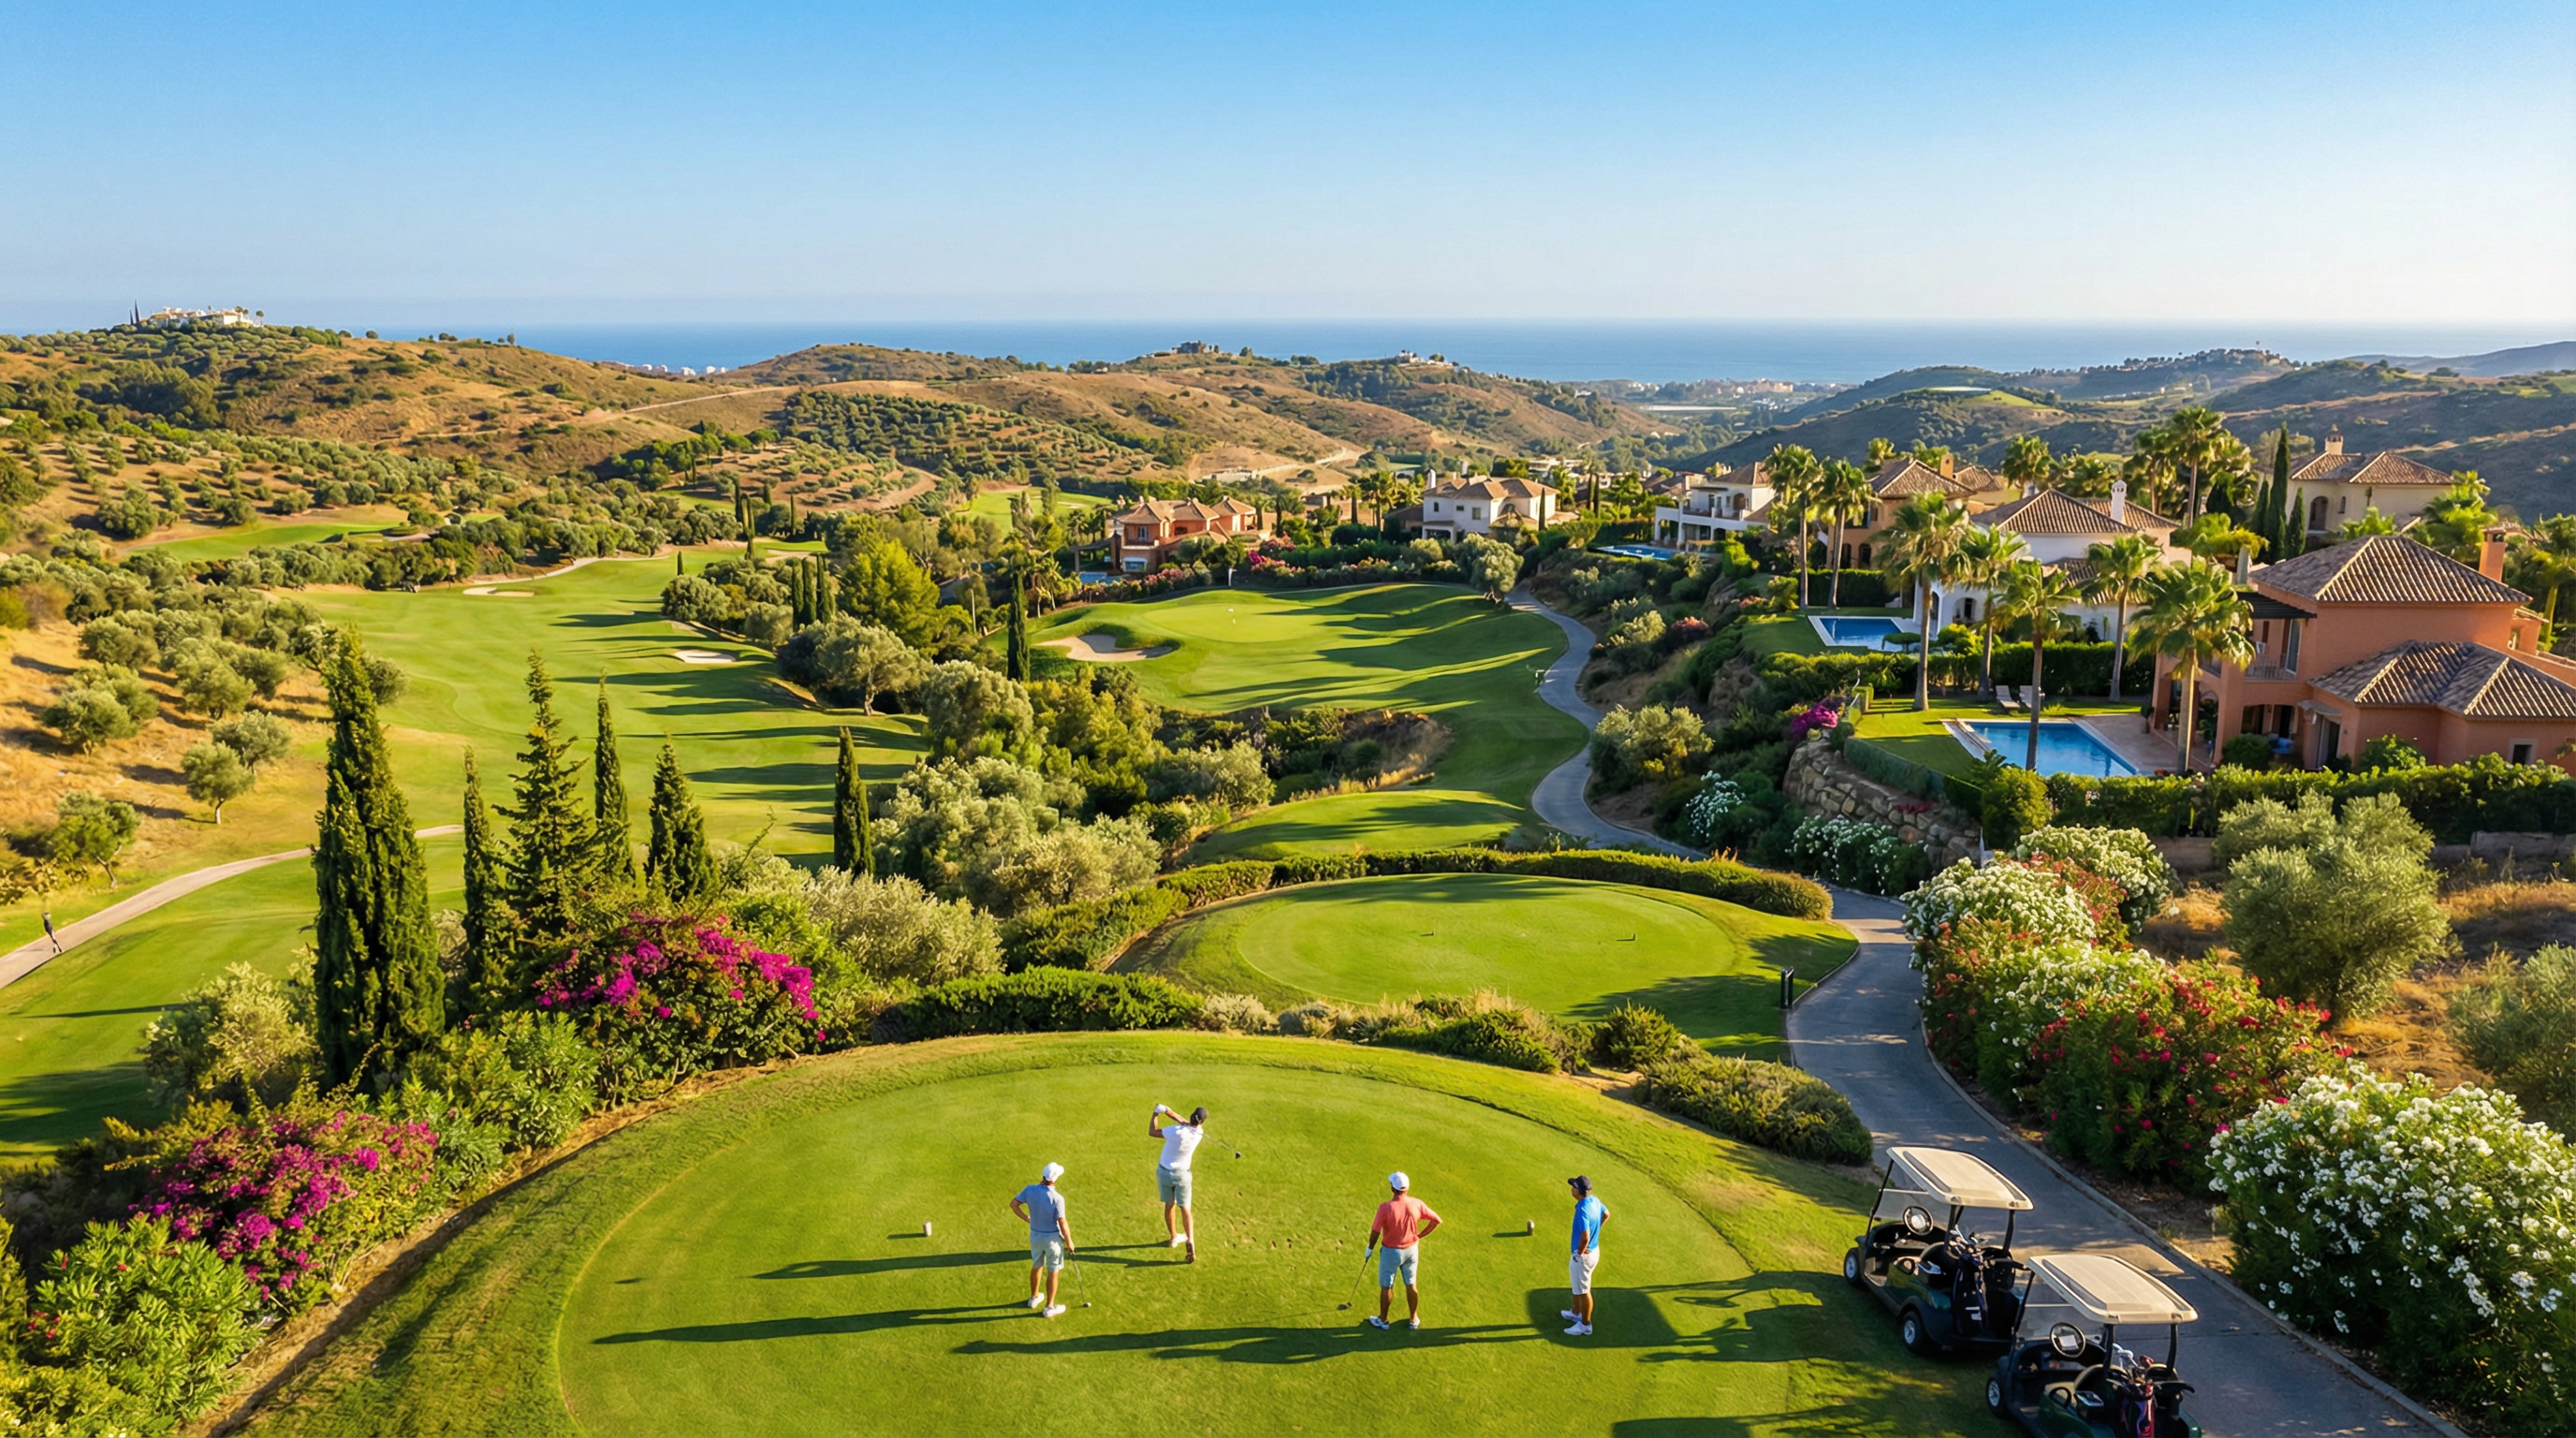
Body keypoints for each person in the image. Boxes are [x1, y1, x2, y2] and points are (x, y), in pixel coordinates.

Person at [1365, 1170, 1442, 1330]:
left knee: (1387, 1286)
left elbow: (1375, 1231)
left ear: (1393, 1188)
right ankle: (1414, 1319)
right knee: (1411, 1284)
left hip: (1391, 1252)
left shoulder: (1385, 1208)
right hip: (1411, 1250)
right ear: (1406, 1188)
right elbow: (1436, 1220)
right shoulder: (1417, 1203)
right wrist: (1419, 1235)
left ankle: (1383, 1320)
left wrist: (1369, 1248)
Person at [1007, 1162, 1076, 1318]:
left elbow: (1014, 1204)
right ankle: (1049, 1307)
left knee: (1037, 1265)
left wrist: (1026, 1218)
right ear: (1055, 1178)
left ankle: (1034, 1297)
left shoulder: (1030, 1190)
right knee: (1053, 1270)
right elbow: (1062, 1222)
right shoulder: (1057, 1198)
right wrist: (1069, 1241)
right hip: (1052, 1240)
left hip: (1035, 1236)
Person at [1147, 1102, 1207, 1261]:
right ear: (1201, 1122)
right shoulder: (1199, 1132)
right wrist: (1167, 1111)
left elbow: (1152, 1132)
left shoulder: (1175, 1132)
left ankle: (1173, 1237)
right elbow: (1183, 1121)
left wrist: (1156, 1113)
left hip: (1165, 1173)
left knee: (1169, 1205)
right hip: (1183, 1175)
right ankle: (1190, 1239)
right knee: (1185, 1208)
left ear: (1191, 1116)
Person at [1561, 1175, 1608, 1336]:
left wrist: (1579, 1253)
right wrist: (1598, 1231)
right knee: (1577, 1285)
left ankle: (1585, 1325)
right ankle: (1575, 1312)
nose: (1571, 1189)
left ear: (1578, 1191)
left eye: (1573, 1187)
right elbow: (1606, 1214)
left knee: (1583, 1290)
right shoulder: (1594, 1200)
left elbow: (1585, 1236)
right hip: (1594, 1251)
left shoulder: (1582, 1209)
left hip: (1584, 1256)